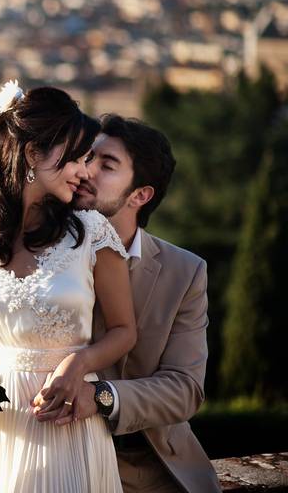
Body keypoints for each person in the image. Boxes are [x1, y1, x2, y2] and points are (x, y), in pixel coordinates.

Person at [0, 82, 136, 492]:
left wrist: (78, 365)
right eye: (77, 159)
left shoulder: (93, 234)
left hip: (66, 427)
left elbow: (124, 331)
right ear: (32, 154)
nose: (85, 172)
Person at [29, 114, 220, 492]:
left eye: (107, 165)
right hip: (53, 458)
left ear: (140, 195)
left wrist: (102, 398)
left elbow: (185, 388)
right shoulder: (32, 249)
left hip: (151, 467)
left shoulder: (185, 272)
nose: (86, 170)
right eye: (87, 157)